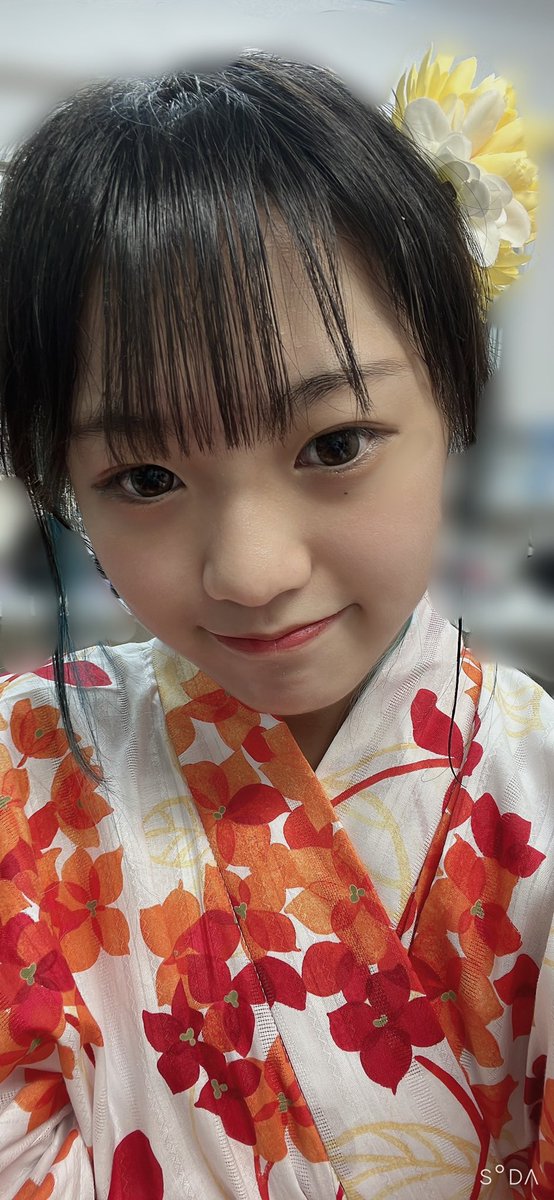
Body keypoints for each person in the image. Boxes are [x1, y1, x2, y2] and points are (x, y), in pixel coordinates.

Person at [0, 45, 551, 1200]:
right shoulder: (25, 768)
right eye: (145, 478)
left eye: (333, 444)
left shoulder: (538, 791)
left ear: (452, 401)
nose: (251, 573)